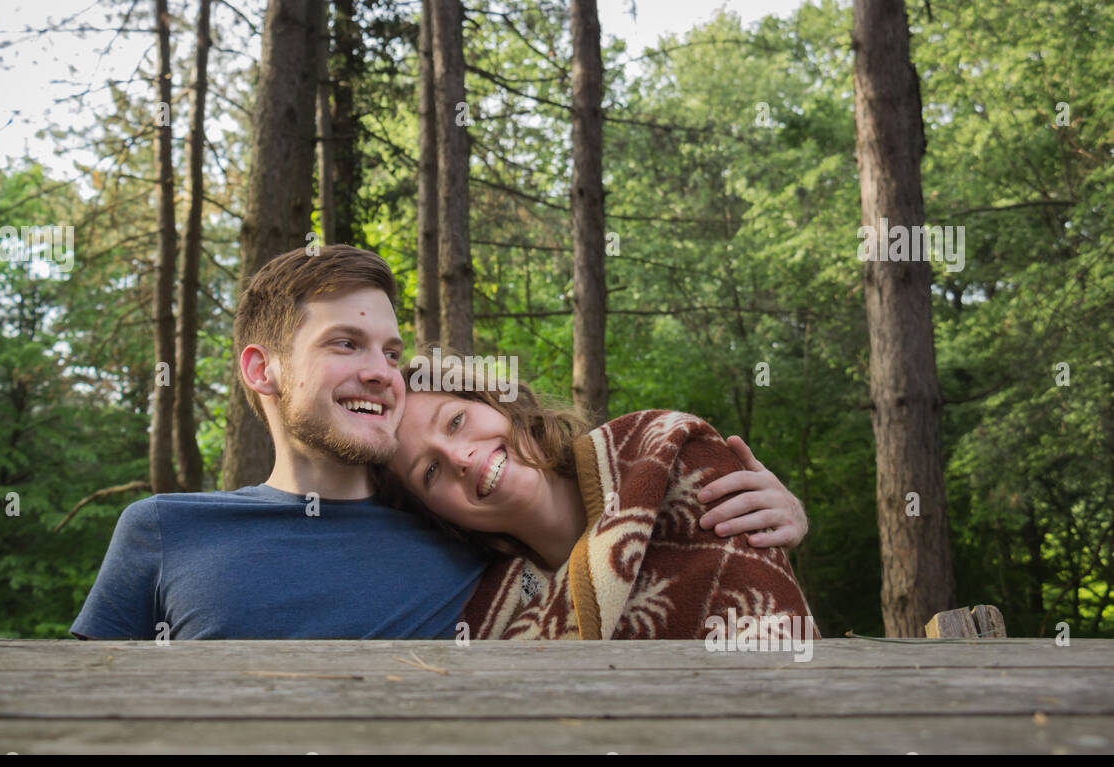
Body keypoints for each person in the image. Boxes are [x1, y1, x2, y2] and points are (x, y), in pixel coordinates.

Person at [71, 245, 807, 640]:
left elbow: (617, 549)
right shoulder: (166, 532)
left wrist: (766, 523)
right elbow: (71, 717)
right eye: (345, 343)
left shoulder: (463, 544)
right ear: (262, 368)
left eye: (390, 351)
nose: (379, 371)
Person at [374, 353, 819, 641]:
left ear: (496, 403)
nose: (460, 457)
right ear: (440, 517)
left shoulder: (663, 452)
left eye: (455, 422)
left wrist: (789, 518)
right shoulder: (490, 617)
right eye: (430, 471)